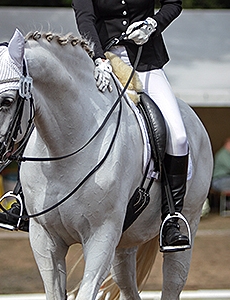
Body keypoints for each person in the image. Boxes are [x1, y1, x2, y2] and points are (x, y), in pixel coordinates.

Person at [72, 0, 190, 251]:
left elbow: (173, 3)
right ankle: (22, 197)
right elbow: (85, 17)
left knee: (178, 137)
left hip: (146, 61)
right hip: (104, 61)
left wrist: (153, 24)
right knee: (60, 106)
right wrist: (97, 57)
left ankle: (171, 217)